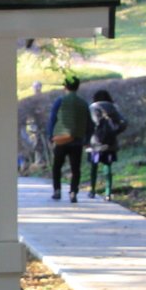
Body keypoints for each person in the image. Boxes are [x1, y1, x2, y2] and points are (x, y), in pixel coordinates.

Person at [47, 74, 91, 202]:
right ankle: (73, 192)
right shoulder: (83, 103)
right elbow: (88, 122)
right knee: (75, 168)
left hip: (61, 139)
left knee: (57, 167)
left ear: (65, 86)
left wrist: (51, 136)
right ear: (77, 87)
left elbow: (52, 119)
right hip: (77, 140)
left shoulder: (60, 101)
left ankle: (57, 190)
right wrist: (87, 139)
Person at [86, 89, 127, 200]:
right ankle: (108, 192)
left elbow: (87, 125)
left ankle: (93, 190)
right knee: (107, 166)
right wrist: (115, 132)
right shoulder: (113, 107)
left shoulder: (92, 108)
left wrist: (86, 140)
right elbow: (124, 122)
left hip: (95, 143)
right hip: (110, 143)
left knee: (94, 167)